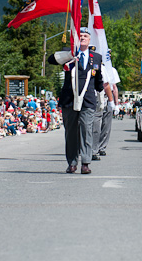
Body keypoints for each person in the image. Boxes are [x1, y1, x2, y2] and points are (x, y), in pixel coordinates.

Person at [48, 27, 107, 174]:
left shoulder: (96, 57)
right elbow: (50, 60)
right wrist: (69, 54)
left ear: (89, 39)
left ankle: (86, 163)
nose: (82, 37)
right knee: (71, 133)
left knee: (86, 130)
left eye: (85, 35)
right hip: (69, 98)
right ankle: (72, 162)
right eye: (79, 35)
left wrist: (104, 96)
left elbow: (98, 79)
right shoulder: (69, 53)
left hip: (87, 100)